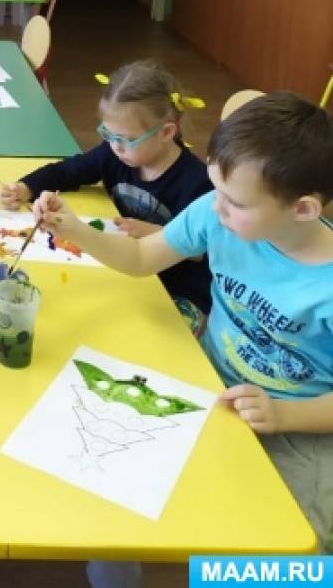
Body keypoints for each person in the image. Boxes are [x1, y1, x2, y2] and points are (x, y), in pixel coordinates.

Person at [34, 91, 333, 551]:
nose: (216, 206)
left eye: (235, 202)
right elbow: (140, 257)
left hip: (301, 423)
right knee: (111, 476)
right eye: (216, 188)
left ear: (303, 209)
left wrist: (283, 414)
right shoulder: (218, 213)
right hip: (209, 382)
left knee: (295, 549)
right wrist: (73, 229)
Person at [0, 60, 213, 322]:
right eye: (108, 135)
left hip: (176, 290)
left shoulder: (198, 183)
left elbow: (206, 251)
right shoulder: (115, 155)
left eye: (126, 139)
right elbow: (69, 171)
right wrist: (25, 187)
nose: (115, 147)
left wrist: (156, 233)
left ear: (166, 132)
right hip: (123, 268)